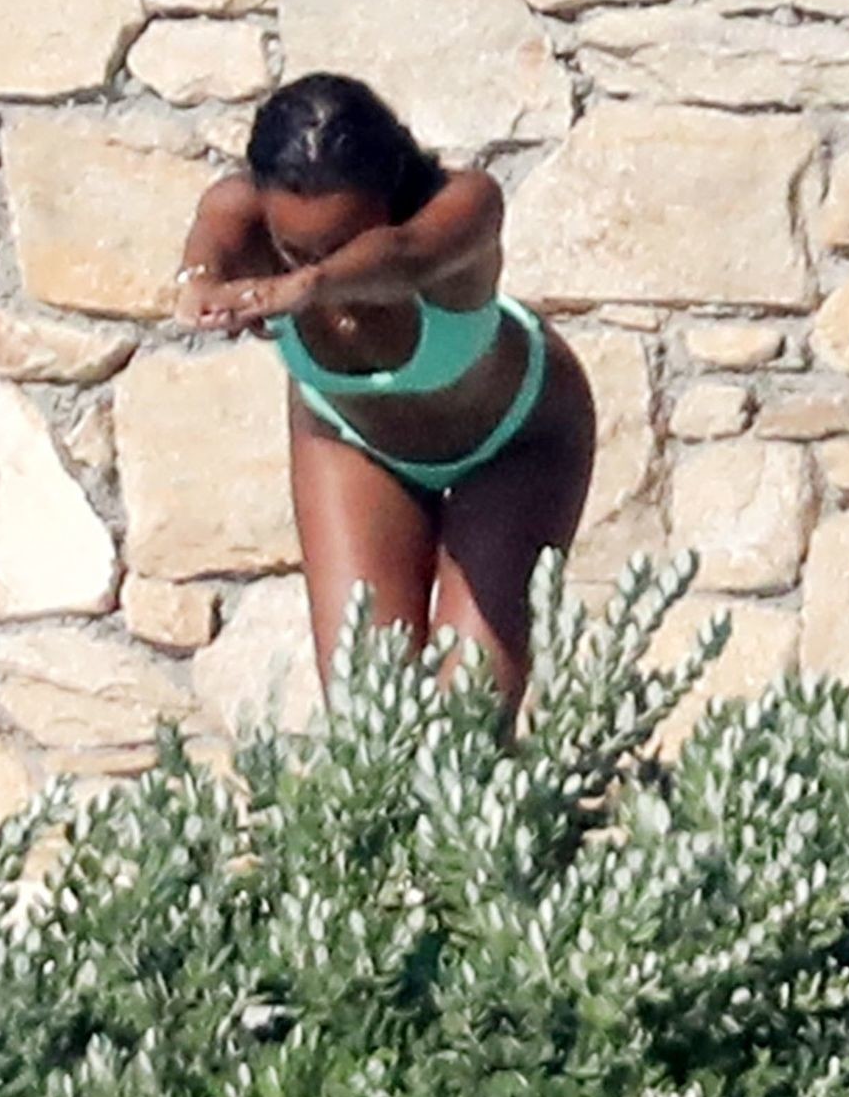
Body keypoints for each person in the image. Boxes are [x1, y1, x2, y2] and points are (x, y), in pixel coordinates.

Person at [171, 72, 597, 739]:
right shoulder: (240, 210)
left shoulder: (464, 205)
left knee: (466, 727)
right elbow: (206, 253)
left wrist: (308, 283)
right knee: (370, 723)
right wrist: (198, 288)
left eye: (340, 242)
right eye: (294, 247)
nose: (312, 259)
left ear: (392, 192)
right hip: (353, 440)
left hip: (516, 441)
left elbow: (405, 257)